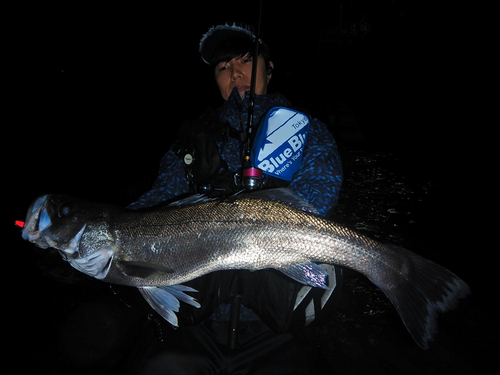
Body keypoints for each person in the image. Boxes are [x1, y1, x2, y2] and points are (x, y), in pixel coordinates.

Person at [124, 23, 343, 374]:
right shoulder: (192, 138)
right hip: (194, 326)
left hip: (276, 331)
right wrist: (100, 238)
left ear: (269, 69)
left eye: (245, 61)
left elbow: (321, 193)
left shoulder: (308, 130)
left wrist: (248, 207)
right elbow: (155, 203)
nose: (235, 73)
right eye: (223, 67)